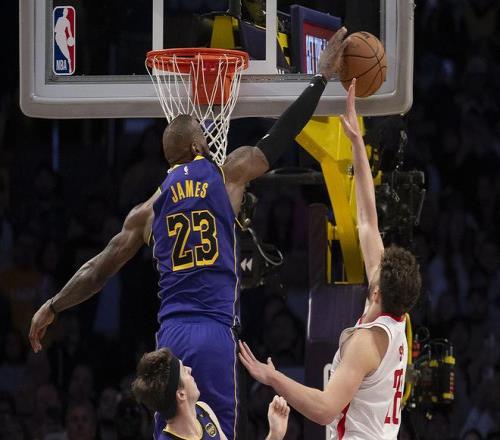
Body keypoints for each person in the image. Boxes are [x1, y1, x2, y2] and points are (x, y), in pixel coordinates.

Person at [29, 28, 350, 440]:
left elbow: (98, 270)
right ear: (200, 145)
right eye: (203, 130)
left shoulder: (147, 211)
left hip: (172, 338)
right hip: (214, 330)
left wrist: (53, 305)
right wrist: (320, 78)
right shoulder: (227, 176)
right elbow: (279, 136)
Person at [238, 79, 422, 440]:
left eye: (375, 273)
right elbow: (367, 222)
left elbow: (324, 409)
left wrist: (273, 377)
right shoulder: (394, 315)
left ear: (376, 292)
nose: (373, 266)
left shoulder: (367, 343)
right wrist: (355, 143)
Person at [132, 348, 290, 440]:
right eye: (184, 371)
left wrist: (275, 434)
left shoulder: (203, 410)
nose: (190, 369)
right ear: (181, 394)